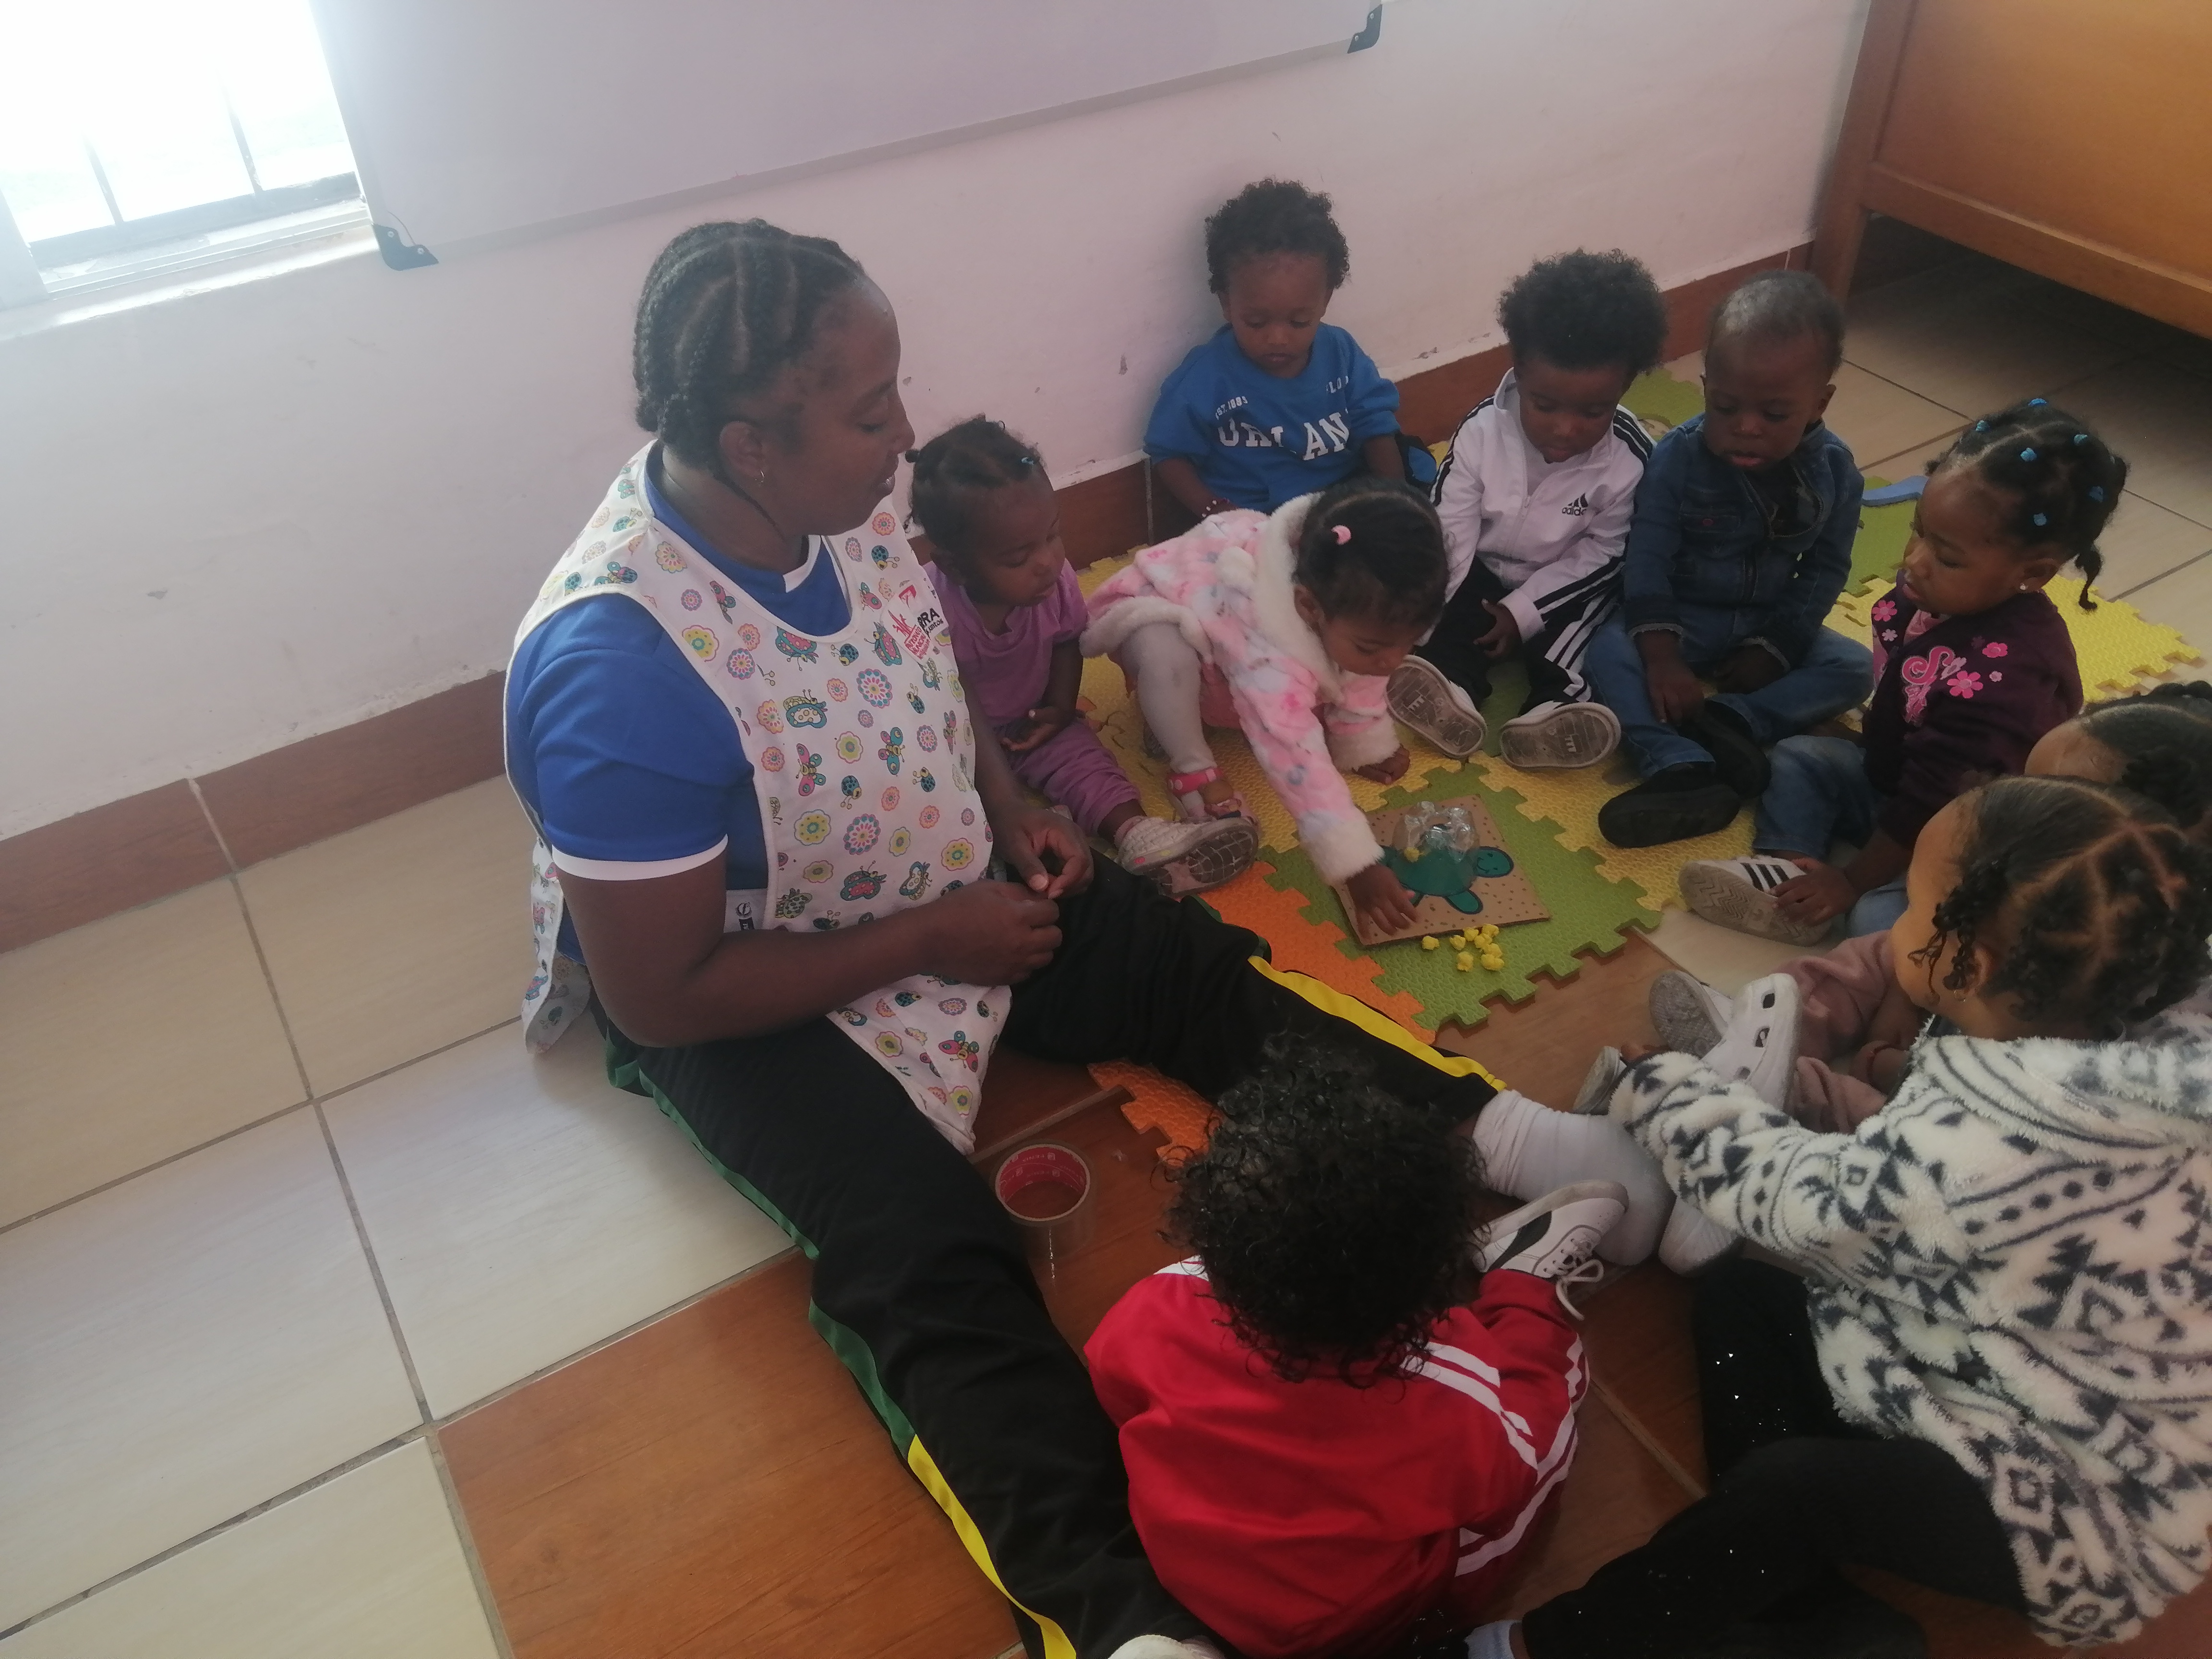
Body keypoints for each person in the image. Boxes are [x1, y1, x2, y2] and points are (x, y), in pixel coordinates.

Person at [503, 217, 1667, 1659]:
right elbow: (662, 995)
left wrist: (1010, 805)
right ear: (750, 446)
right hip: (757, 989)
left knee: (1190, 971)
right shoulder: (615, 670)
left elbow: (922, 675)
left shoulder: (848, 506)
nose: (904, 434)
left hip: (943, 881)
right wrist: (932, 936)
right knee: (921, 1250)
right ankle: (1119, 1624)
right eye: (870, 411)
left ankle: (1511, 1140)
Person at [1470, 775, 2212, 1659]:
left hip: (2086, 1504)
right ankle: (1821, 1618)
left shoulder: (1986, 1152)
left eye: (1914, 907)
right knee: (1740, 1297)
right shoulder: (2133, 1048)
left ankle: (1539, 1648)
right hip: (2003, 1360)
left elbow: (1798, 1202)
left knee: (1798, 1491)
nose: (1890, 924)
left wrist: (1665, 1092)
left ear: (1971, 961)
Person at [1087, 1036, 1626, 1659]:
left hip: (1186, 1577)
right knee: (1541, 1445)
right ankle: (1527, 1279)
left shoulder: (1157, 1302)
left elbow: (1113, 1387)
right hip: (1344, 1630)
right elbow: (1518, 1469)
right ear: (1432, 1288)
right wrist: (1529, 1315)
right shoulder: (1442, 1400)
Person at [1647, 678, 2212, 1132]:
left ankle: (1770, 1079)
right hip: (1976, 979)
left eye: (2050, 802)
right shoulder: (2048, 907)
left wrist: (1898, 1069)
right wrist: (1903, 994)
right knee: (1883, 949)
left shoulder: (2092, 1059)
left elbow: (1931, 1139)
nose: (2010, 798)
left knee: (1896, 954)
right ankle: (1761, 1024)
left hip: (1966, 1107)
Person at [1677, 400, 2121, 944]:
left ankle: (1862, 908)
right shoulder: (1937, 596)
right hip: (1897, 783)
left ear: (2032, 575)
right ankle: (1787, 875)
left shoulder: (2003, 684)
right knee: (1801, 757)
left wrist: (1853, 881)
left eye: (1948, 557)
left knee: (1875, 919)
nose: (1915, 560)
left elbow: (1934, 801)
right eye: (1919, 530)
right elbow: (1909, 706)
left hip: (1965, 839)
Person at [907, 417, 1257, 897]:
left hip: (1031, 721)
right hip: (953, 740)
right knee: (931, 804)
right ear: (955, 566)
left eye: (1053, 535)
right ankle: (1015, 851)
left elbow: (1066, 641)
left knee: (1085, 761)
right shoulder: (928, 607)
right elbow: (937, 697)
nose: (1047, 562)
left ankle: (1137, 834)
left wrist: (1058, 707)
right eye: (1018, 558)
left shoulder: (1054, 582)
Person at [1585, 270, 1872, 849]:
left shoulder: (1836, 471)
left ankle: (1737, 720)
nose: (1745, 428)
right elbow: (1647, 559)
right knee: (1607, 650)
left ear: (1819, 403)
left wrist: (1777, 647)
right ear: (1706, 386)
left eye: (1775, 414)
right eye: (1725, 406)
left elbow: (1824, 570)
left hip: (1769, 619)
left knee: (1856, 666)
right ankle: (1677, 763)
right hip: (1686, 618)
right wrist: (1663, 658)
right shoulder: (1678, 458)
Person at [1082, 477, 1440, 940]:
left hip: (1234, 646)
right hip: (1167, 617)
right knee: (1166, 656)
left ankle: (1182, 710)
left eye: (1408, 643)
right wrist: (1356, 864)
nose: (1392, 662)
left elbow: (1363, 670)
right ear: (1308, 607)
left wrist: (1361, 742)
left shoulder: (1352, 590)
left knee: (1345, 664)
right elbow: (1290, 749)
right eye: (1374, 647)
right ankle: (1190, 763)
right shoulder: (1270, 647)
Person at [1390, 250, 1667, 769]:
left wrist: (1523, 613)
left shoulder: (1631, 459)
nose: (1565, 429)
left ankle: (1555, 709)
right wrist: (1421, 618)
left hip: (1565, 582)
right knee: (1448, 612)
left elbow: (1606, 554)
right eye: (1545, 405)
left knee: (1582, 631)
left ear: (1624, 387)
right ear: (1518, 370)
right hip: (1483, 568)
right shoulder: (1481, 431)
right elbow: (1450, 529)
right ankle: (1452, 688)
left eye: (1593, 411)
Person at [1144, 179, 1427, 520]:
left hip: (1341, 498)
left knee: (1417, 472)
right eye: (1256, 322)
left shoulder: (1341, 353)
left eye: (1298, 322)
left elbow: (1376, 426)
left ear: (1325, 301)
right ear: (1227, 304)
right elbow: (1169, 452)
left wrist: (1392, 500)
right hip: (1255, 517)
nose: (1278, 339)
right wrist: (1216, 511)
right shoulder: (1206, 377)